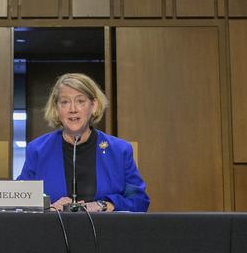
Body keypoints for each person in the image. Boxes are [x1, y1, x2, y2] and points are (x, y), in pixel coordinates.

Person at [17, 73, 149, 212]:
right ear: (56, 109)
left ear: (93, 105)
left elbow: (139, 201)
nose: (73, 109)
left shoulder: (120, 150)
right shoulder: (38, 150)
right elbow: (20, 202)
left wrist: (103, 205)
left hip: (105, 231)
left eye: (80, 101)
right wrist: (48, 208)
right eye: (65, 102)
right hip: (53, 231)